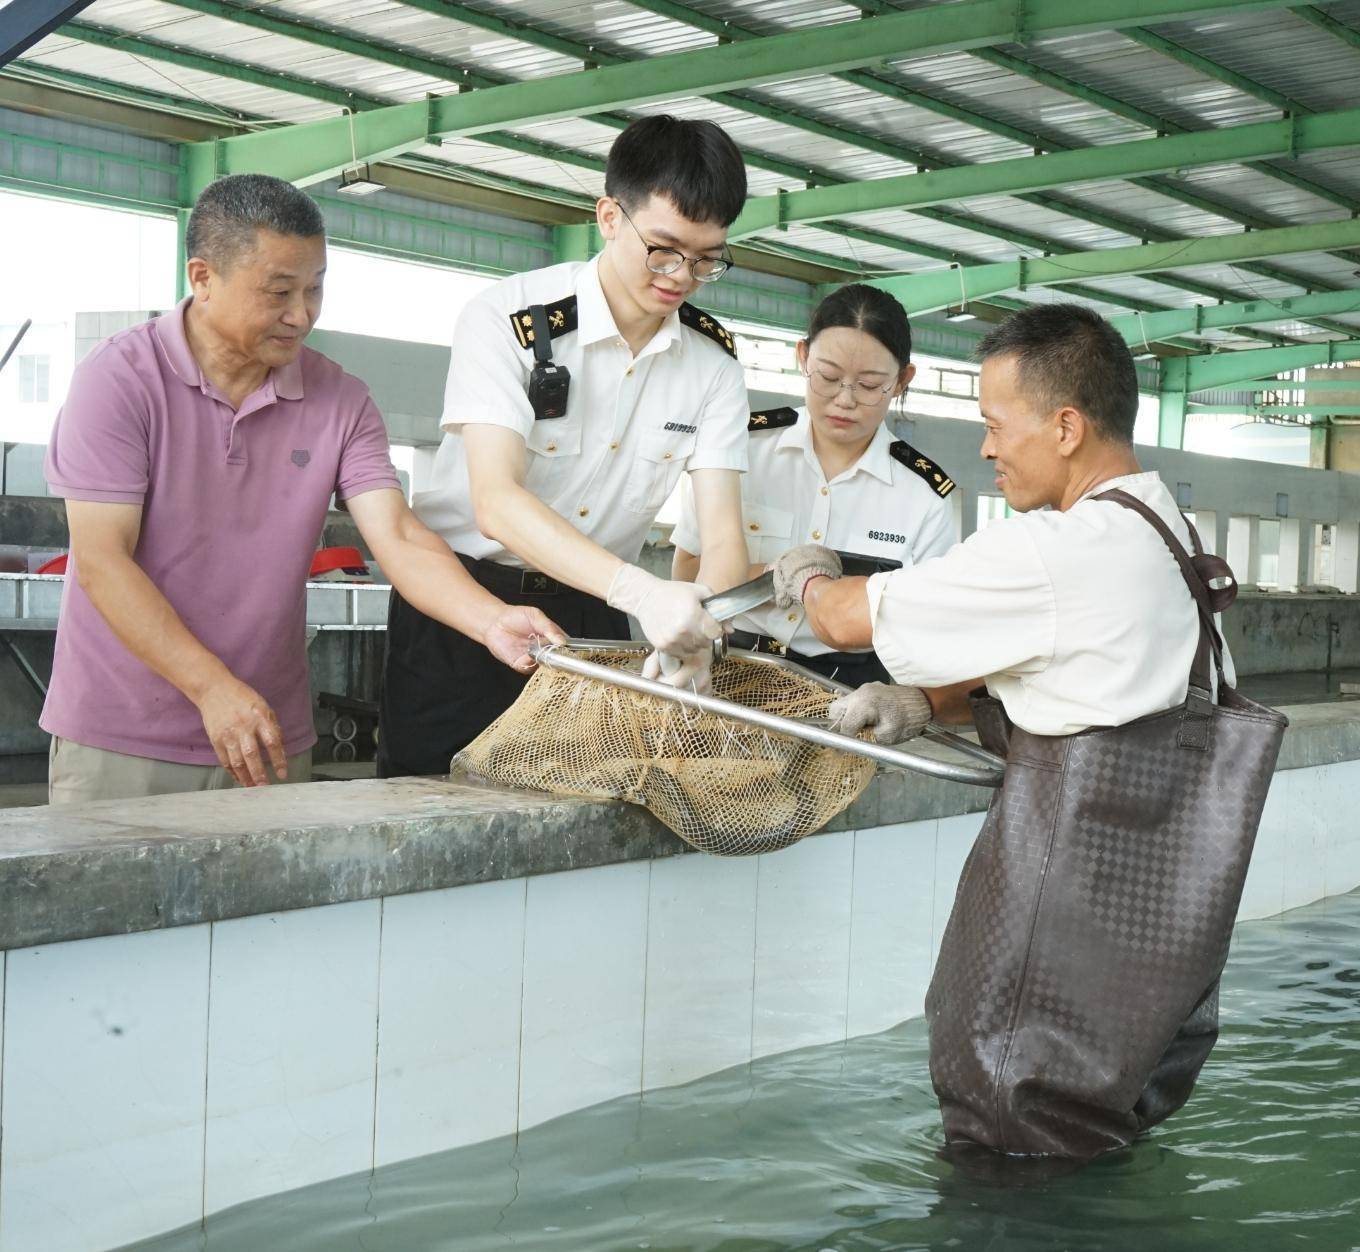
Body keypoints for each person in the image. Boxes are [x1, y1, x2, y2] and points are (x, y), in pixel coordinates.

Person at [770, 303, 1287, 1159]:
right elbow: (1082, 679)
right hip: (1140, 998)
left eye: (993, 424)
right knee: (1090, 1154)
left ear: (1066, 426)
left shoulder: (1058, 547)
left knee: (1004, 1145)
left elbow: (845, 620)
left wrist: (806, 575)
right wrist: (922, 703)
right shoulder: (1168, 538)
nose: (985, 449)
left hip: (1043, 998)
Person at [39, 174, 561, 804]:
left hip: (268, 738)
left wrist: (491, 620)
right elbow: (101, 560)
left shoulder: (340, 399)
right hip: (121, 736)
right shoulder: (119, 381)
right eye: (279, 292)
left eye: (315, 288)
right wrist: (211, 688)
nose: (302, 314)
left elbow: (396, 534)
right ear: (202, 278)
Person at [378, 114, 754, 778]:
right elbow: (496, 502)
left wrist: (704, 629)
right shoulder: (508, 321)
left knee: (585, 817)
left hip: (592, 620)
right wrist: (643, 595)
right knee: (428, 807)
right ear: (610, 217)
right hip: (467, 608)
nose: (680, 276)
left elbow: (722, 537)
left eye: (706, 259)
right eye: (663, 249)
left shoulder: (713, 365)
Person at [668, 283, 960, 688]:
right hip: (731, 665)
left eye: (871, 384)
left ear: (903, 380)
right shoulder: (742, 450)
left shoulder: (923, 496)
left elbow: (925, 619)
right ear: (803, 356)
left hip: (849, 686)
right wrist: (771, 576)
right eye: (828, 376)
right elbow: (686, 570)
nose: (845, 399)